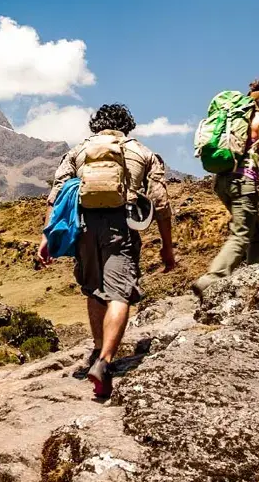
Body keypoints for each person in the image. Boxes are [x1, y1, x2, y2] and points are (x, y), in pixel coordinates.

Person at [37, 103, 175, 399]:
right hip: (121, 226)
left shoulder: (79, 151)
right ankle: (104, 362)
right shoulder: (141, 151)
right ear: (127, 126)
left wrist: (47, 237)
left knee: (94, 289)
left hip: (84, 227)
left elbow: (56, 195)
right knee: (120, 293)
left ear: (95, 125)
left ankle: (98, 348)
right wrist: (167, 247)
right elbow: (161, 203)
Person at [192, 79, 259, 297]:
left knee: (258, 234)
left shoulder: (236, 118)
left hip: (222, 182)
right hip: (243, 182)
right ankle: (211, 278)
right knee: (241, 234)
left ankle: (257, 278)